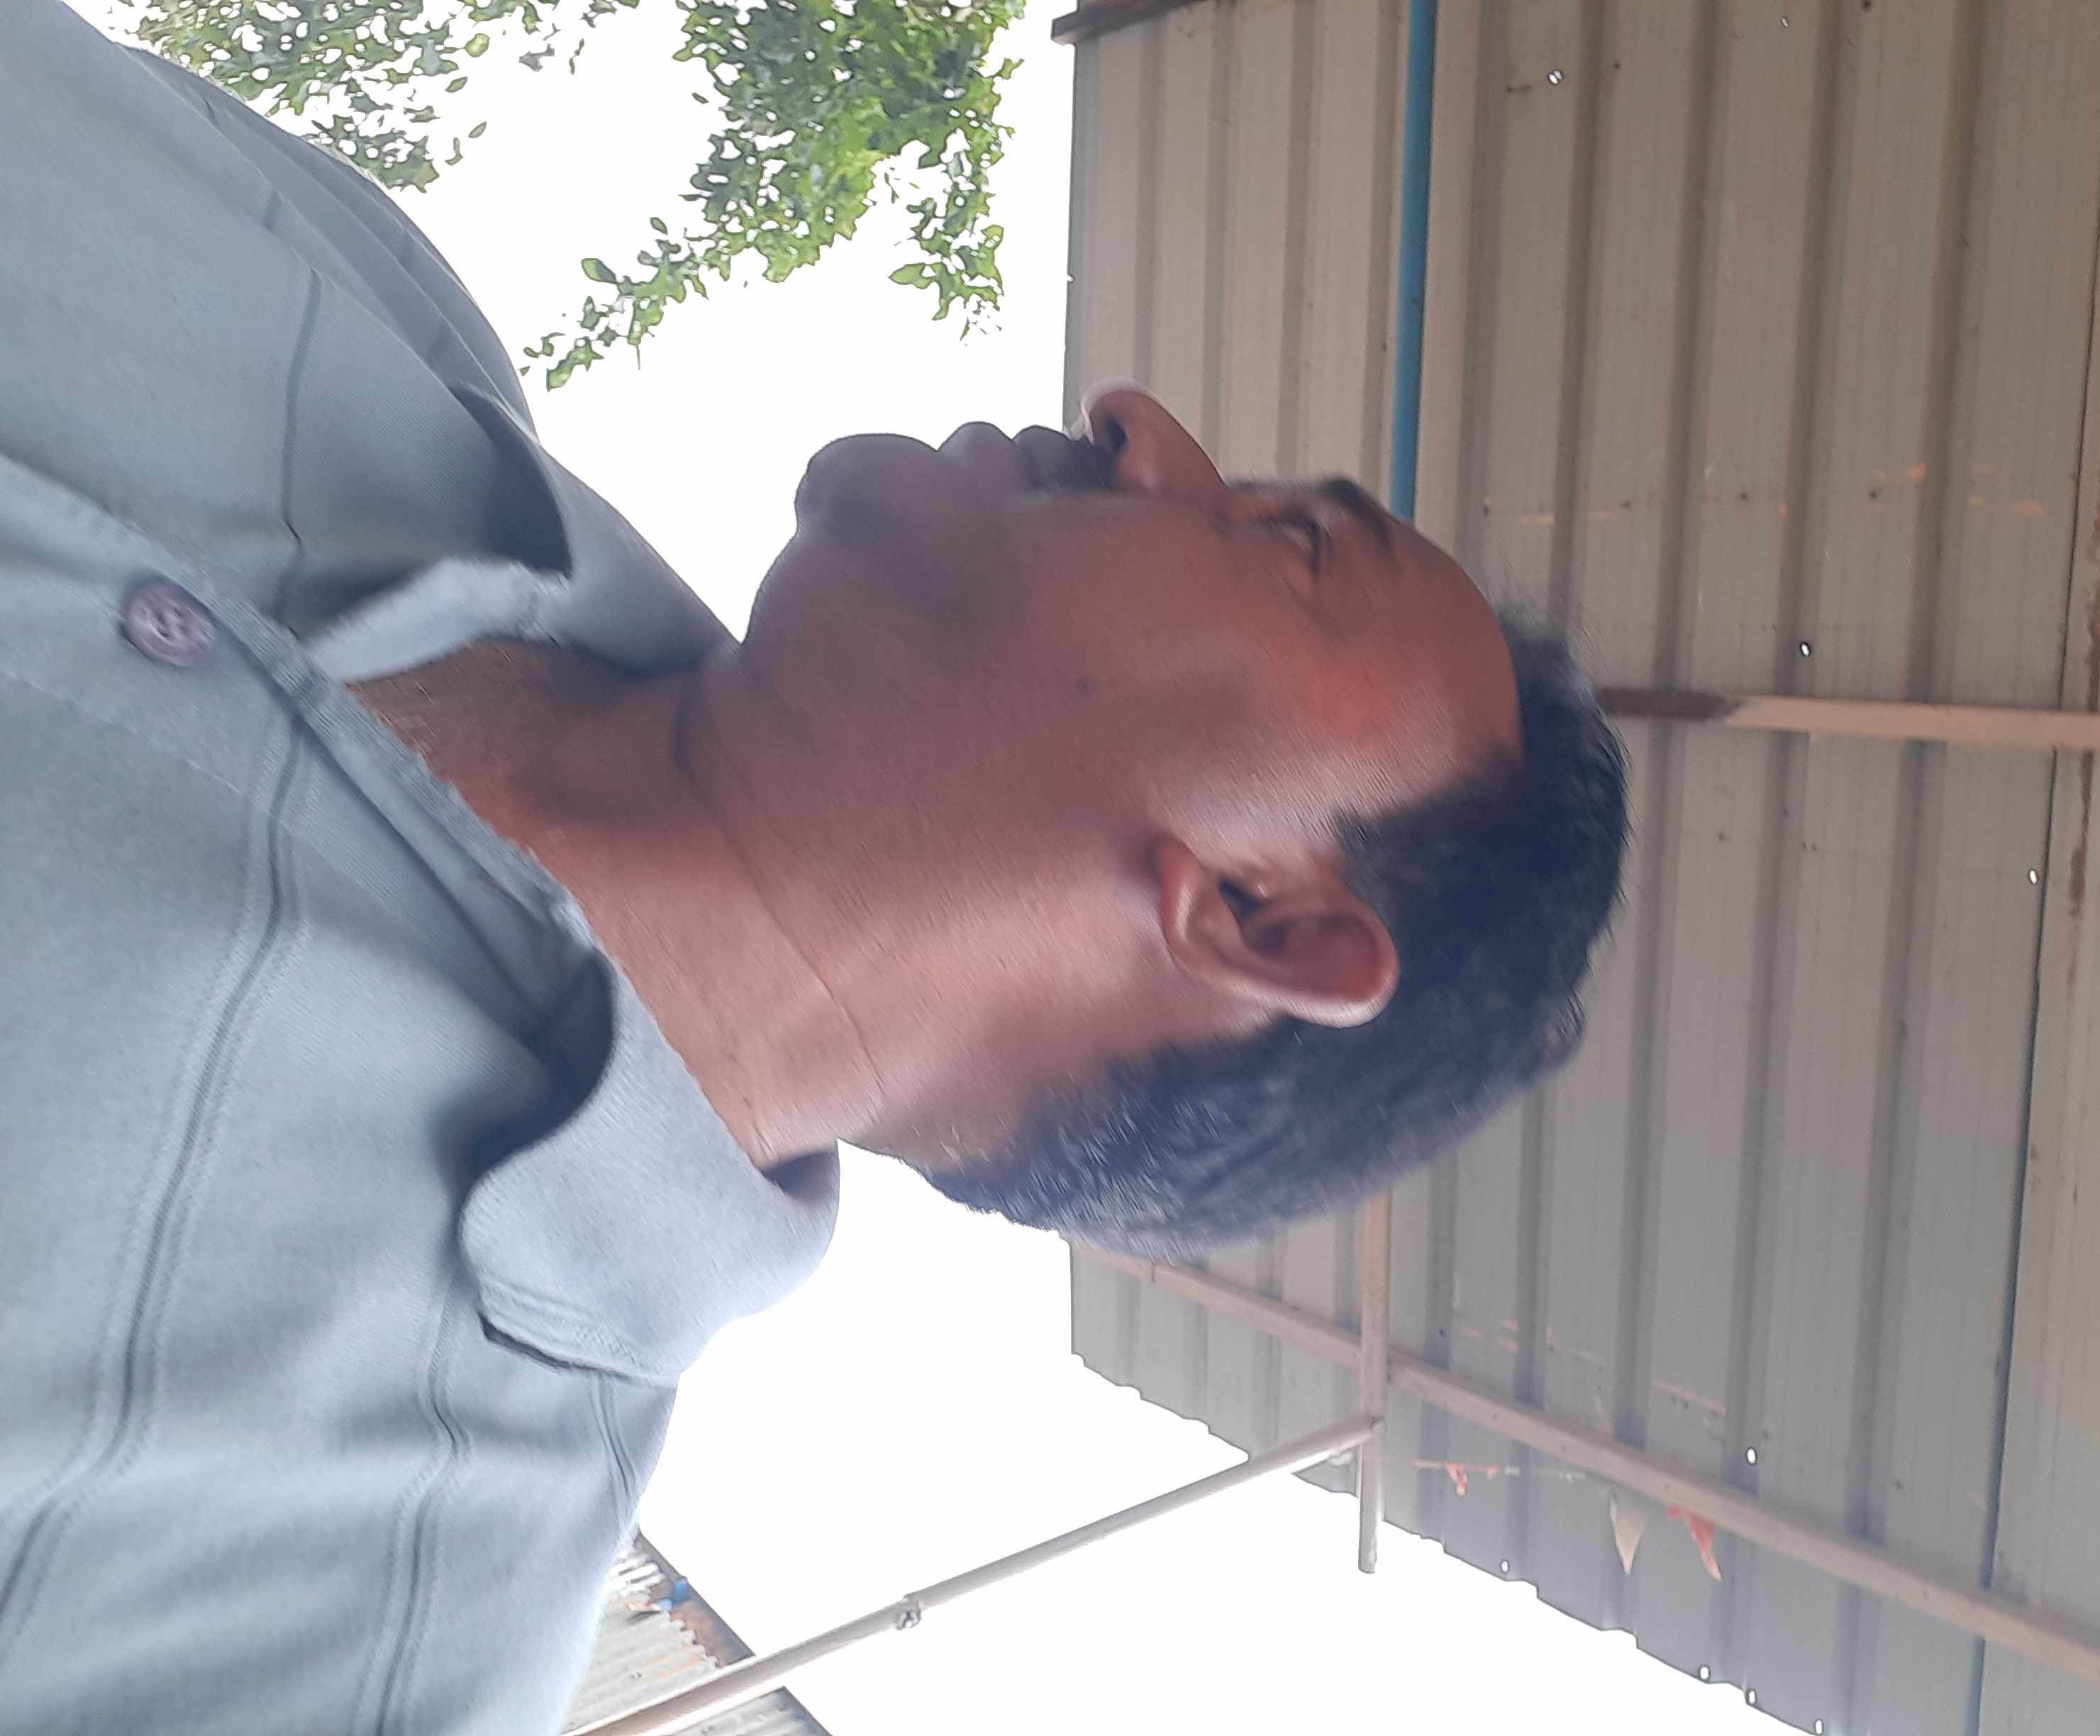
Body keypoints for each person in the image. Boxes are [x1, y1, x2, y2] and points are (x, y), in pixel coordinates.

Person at [0, 4, 1628, 1732]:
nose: (1139, 421)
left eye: (1291, 543)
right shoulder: (371, 308)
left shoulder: (349, 1624)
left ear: (1259, 917)